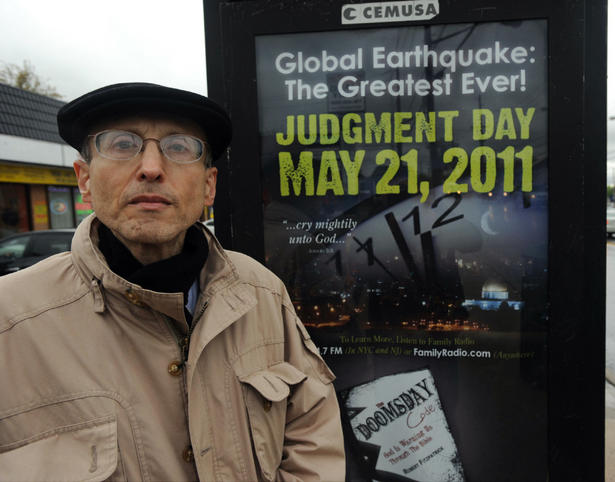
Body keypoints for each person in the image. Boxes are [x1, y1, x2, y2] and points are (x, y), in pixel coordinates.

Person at [0, 83, 345, 481]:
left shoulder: (261, 293)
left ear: (209, 186)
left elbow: (311, 431)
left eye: (179, 147)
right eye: (122, 144)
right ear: (85, 179)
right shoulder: (12, 321)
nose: (151, 167)